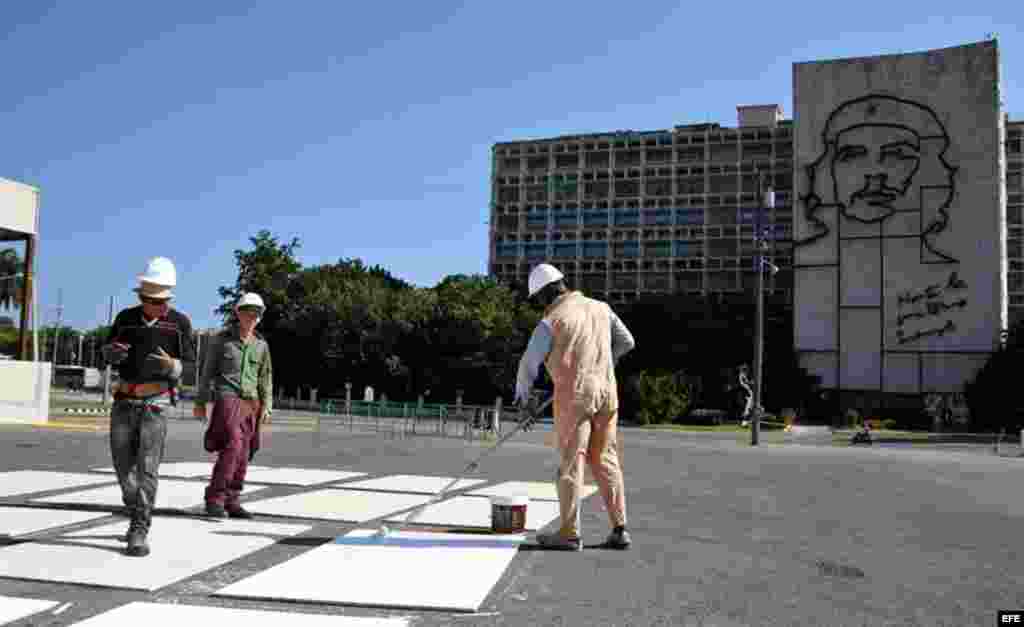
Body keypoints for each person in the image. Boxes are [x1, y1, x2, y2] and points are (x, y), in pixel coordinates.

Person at [515, 263, 636, 551]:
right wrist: (602, 362)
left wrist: (523, 400)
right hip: (607, 391)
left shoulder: (552, 319)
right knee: (605, 458)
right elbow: (627, 342)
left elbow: (529, 364)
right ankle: (620, 529)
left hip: (575, 396)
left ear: (545, 294)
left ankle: (569, 533)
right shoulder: (601, 308)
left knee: (571, 461)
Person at [102, 257, 195, 557]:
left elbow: (192, 366)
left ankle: (140, 527)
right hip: (124, 400)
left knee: (148, 468)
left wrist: (174, 366)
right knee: (122, 465)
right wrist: (111, 354)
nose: (157, 306)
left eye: (161, 301)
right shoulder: (125, 319)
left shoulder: (180, 324)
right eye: (152, 301)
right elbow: (106, 352)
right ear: (142, 297)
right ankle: (134, 505)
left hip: (156, 402)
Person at [194, 293, 273, 518]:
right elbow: (207, 372)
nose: (251, 316)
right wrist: (200, 402)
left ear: (260, 317)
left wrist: (266, 405)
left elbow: (265, 378)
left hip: (252, 403)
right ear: (238, 313)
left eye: (256, 313)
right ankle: (215, 498)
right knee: (233, 446)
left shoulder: (261, 345)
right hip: (228, 398)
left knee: (244, 452)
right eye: (247, 311)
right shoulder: (221, 341)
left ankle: (232, 499)